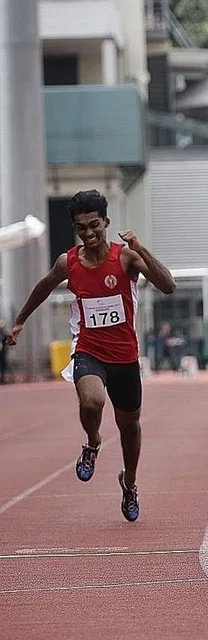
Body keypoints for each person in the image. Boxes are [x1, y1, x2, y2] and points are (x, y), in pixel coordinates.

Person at [5, 189, 176, 522]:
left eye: (94, 225)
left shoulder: (125, 258)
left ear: (106, 222)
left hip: (125, 355)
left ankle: (130, 483)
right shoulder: (68, 262)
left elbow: (167, 286)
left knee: (130, 428)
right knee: (92, 400)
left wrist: (139, 247)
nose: (88, 233)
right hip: (89, 349)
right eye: (81, 227)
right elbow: (44, 286)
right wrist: (21, 320)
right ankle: (93, 442)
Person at [0, 320, 8, 384]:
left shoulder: (4, 334)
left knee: (3, 365)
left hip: (2, 352)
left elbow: (7, 341)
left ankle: (2, 378)